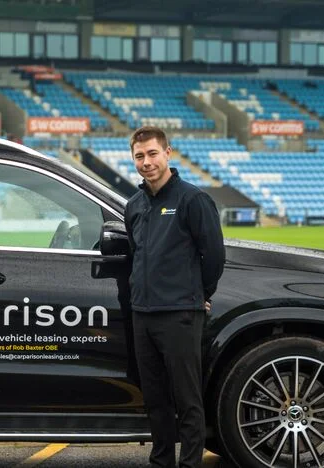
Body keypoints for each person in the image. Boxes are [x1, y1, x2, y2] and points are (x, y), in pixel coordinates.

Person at [125, 126, 225, 468]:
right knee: (155, 399)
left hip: (181, 314)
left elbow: (213, 255)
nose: (146, 162)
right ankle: (162, 461)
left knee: (187, 399)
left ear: (168, 153)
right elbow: (136, 252)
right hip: (143, 314)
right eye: (139, 156)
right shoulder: (134, 206)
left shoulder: (193, 200)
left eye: (153, 154)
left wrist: (201, 294)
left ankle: (190, 463)